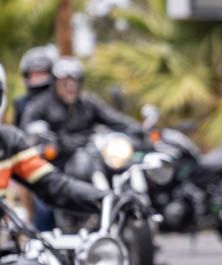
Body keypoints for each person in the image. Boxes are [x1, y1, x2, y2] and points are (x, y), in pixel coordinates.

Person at [19, 56, 140, 233]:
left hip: (89, 153)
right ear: (56, 83)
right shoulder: (41, 104)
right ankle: (42, 239)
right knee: (44, 210)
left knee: (122, 166)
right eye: (65, 82)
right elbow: (29, 127)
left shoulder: (88, 103)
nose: (71, 87)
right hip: (57, 162)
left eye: (75, 82)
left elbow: (114, 119)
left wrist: (138, 129)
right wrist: (43, 137)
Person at [0, 65, 104, 224]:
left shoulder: (8, 141)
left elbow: (53, 186)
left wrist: (106, 199)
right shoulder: (37, 105)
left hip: (63, 162)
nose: (70, 87)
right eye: (65, 82)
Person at [12, 45, 58, 126]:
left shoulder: (59, 101)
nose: (37, 78)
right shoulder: (21, 103)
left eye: (41, 73)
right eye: (34, 74)